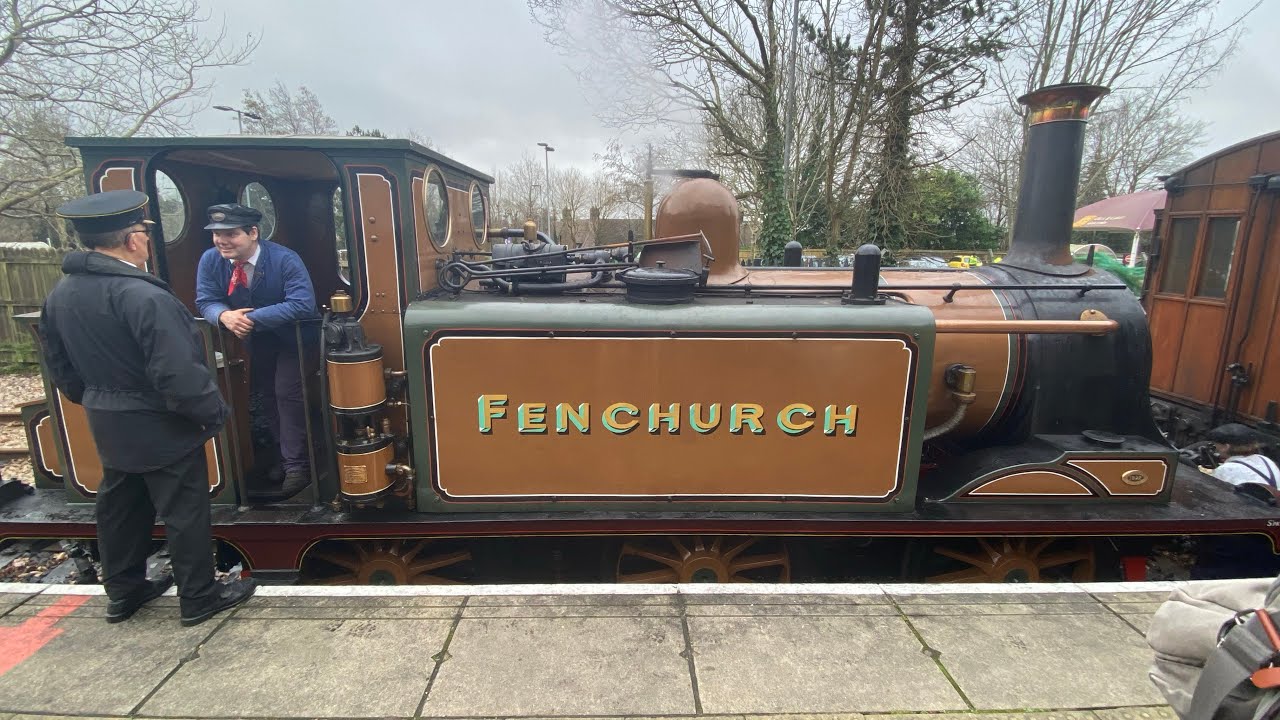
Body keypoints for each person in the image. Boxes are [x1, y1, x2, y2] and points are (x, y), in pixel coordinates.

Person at [40, 189, 256, 626]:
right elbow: (177, 372)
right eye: (142, 232)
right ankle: (198, 596)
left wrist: (96, 398)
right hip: (160, 423)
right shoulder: (145, 297)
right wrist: (212, 415)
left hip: (108, 417)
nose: (146, 240)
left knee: (120, 507)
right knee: (183, 511)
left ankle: (123, 592)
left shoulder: (61, 294)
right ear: (132, 240)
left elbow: (59, 364)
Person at [195, 203, 318, 502]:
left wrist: (249, 318)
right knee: (265, 395)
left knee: (286, 394)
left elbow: (303, 303)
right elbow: (206, 300)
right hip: (258, 342)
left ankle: (298, 468)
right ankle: (281, 457)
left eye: (231, 234)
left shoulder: (285, 260)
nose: (222, 241)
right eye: (216, 235)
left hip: (297, 339)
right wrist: (223, 317)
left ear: (253, 233)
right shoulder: (211, 261)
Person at [1209, 423, 1279, 490]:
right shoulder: (1265, 460)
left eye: (1216, 444)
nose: (1215, 447)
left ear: (1226, 447)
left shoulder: (1225, 469)